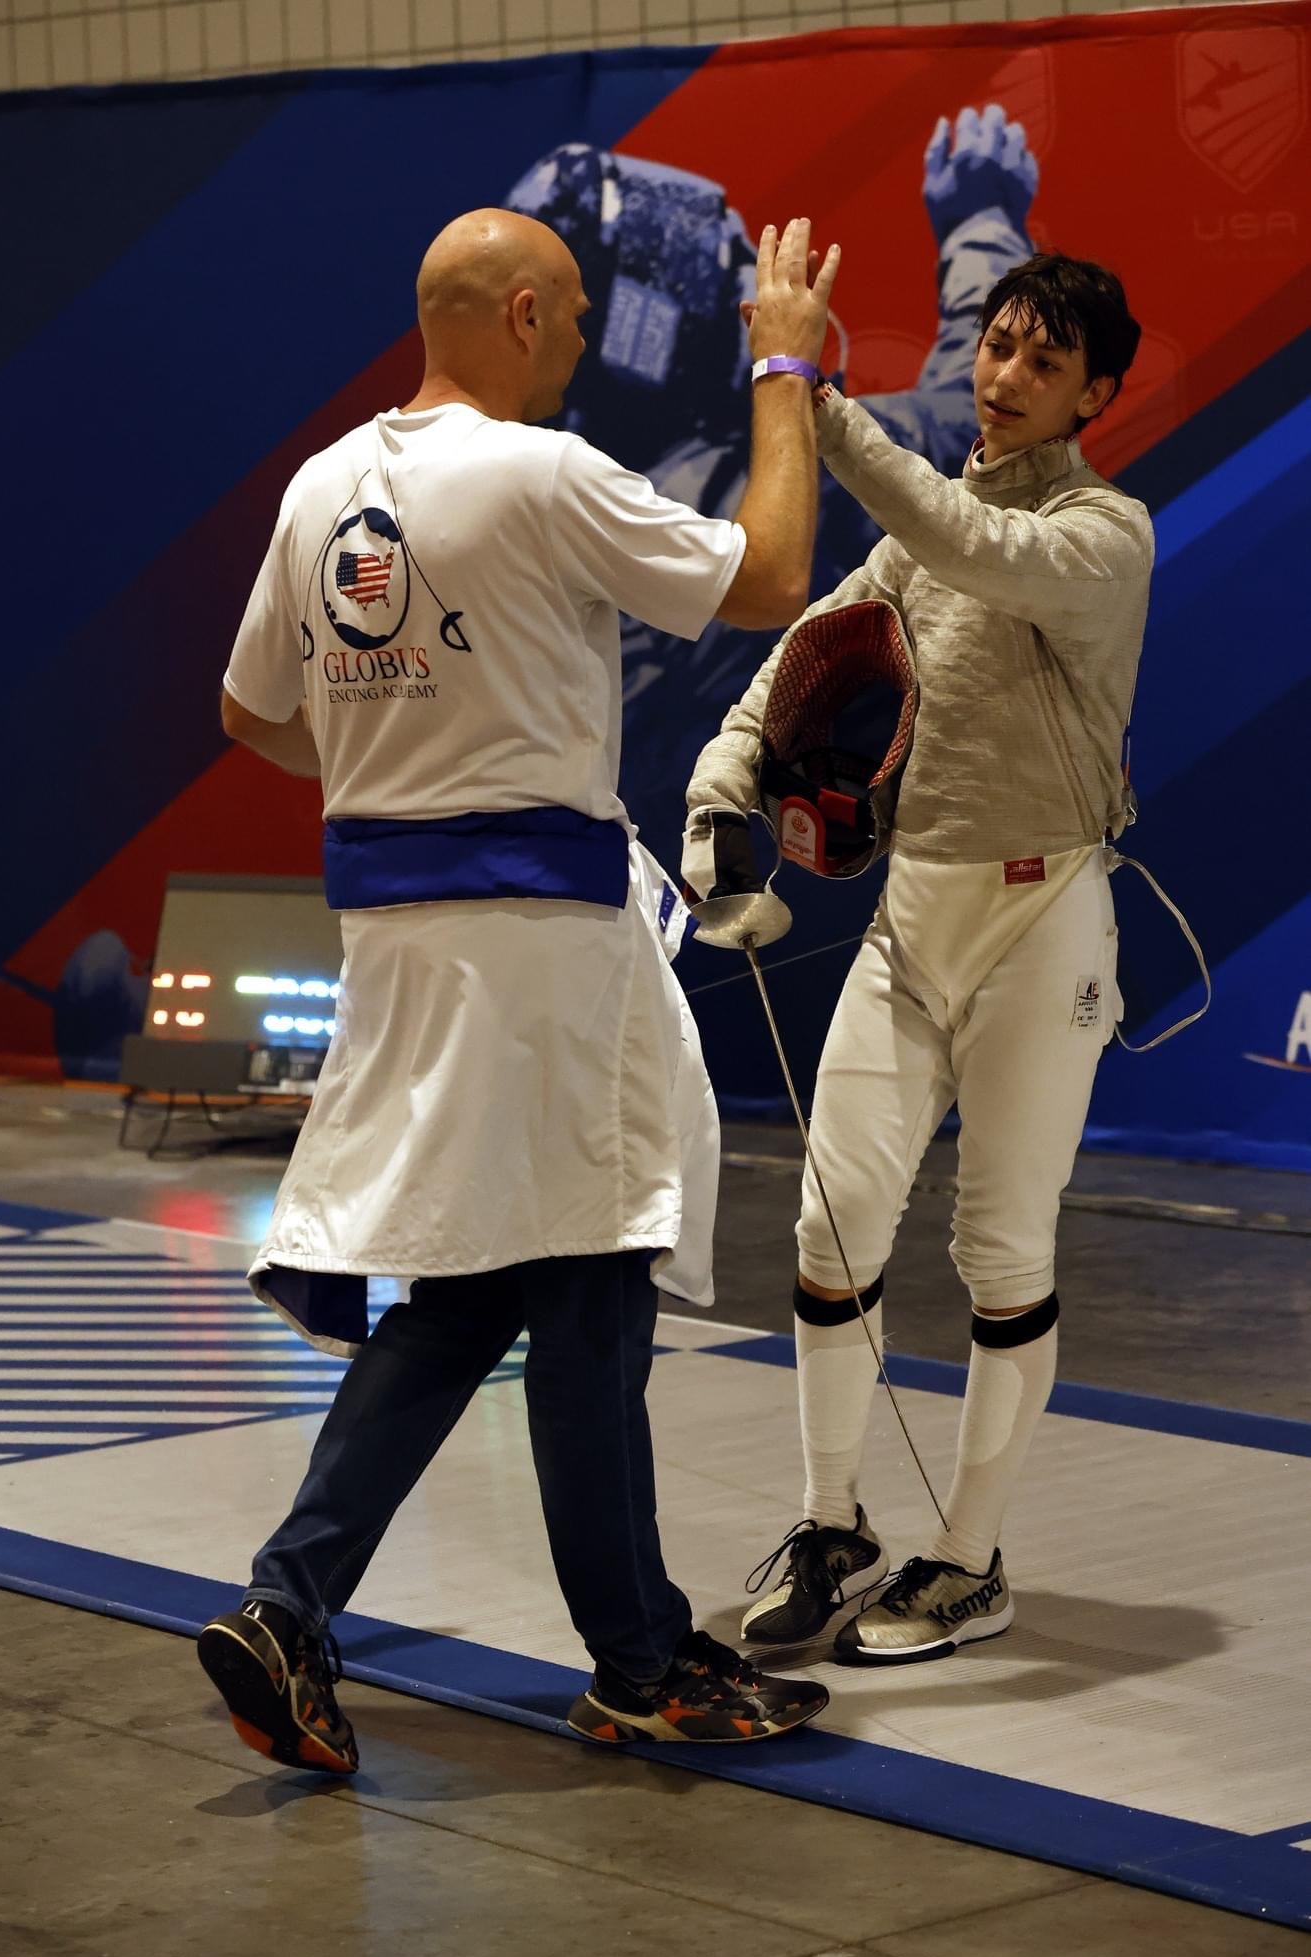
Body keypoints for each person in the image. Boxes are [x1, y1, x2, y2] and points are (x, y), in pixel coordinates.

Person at [197, 206, 841, 1770]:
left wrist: (396, 763)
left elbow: (249, 711)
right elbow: (763, 575)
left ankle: (290, 1609)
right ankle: (638, 1667)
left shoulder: (320, 486)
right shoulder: (539, 475)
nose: (570, 349)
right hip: (545, 952)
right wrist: (784, 363)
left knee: (477, 1291)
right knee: (592, 1290)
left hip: (401, 948)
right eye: (564, 322)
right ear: (529, 314)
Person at [684, 252, 1151, 1664]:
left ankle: (966, 1561)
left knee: (1000, 1248)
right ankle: (832, 1528)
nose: (1001, 379)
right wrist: (719, 796)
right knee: (833, 1233)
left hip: (1042, 920)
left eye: (1040, 363)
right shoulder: (913, 537)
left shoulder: (1102, 535)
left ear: (1095, 395)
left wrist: (810, 401)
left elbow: (971, 546)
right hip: (913, 919)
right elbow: (796, 669)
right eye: (995, 346)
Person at [506, 106, 1041, 859]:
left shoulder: (542, 481)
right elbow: (971, 421)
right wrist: (980, 217)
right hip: (765, 868)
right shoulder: (732, 483)